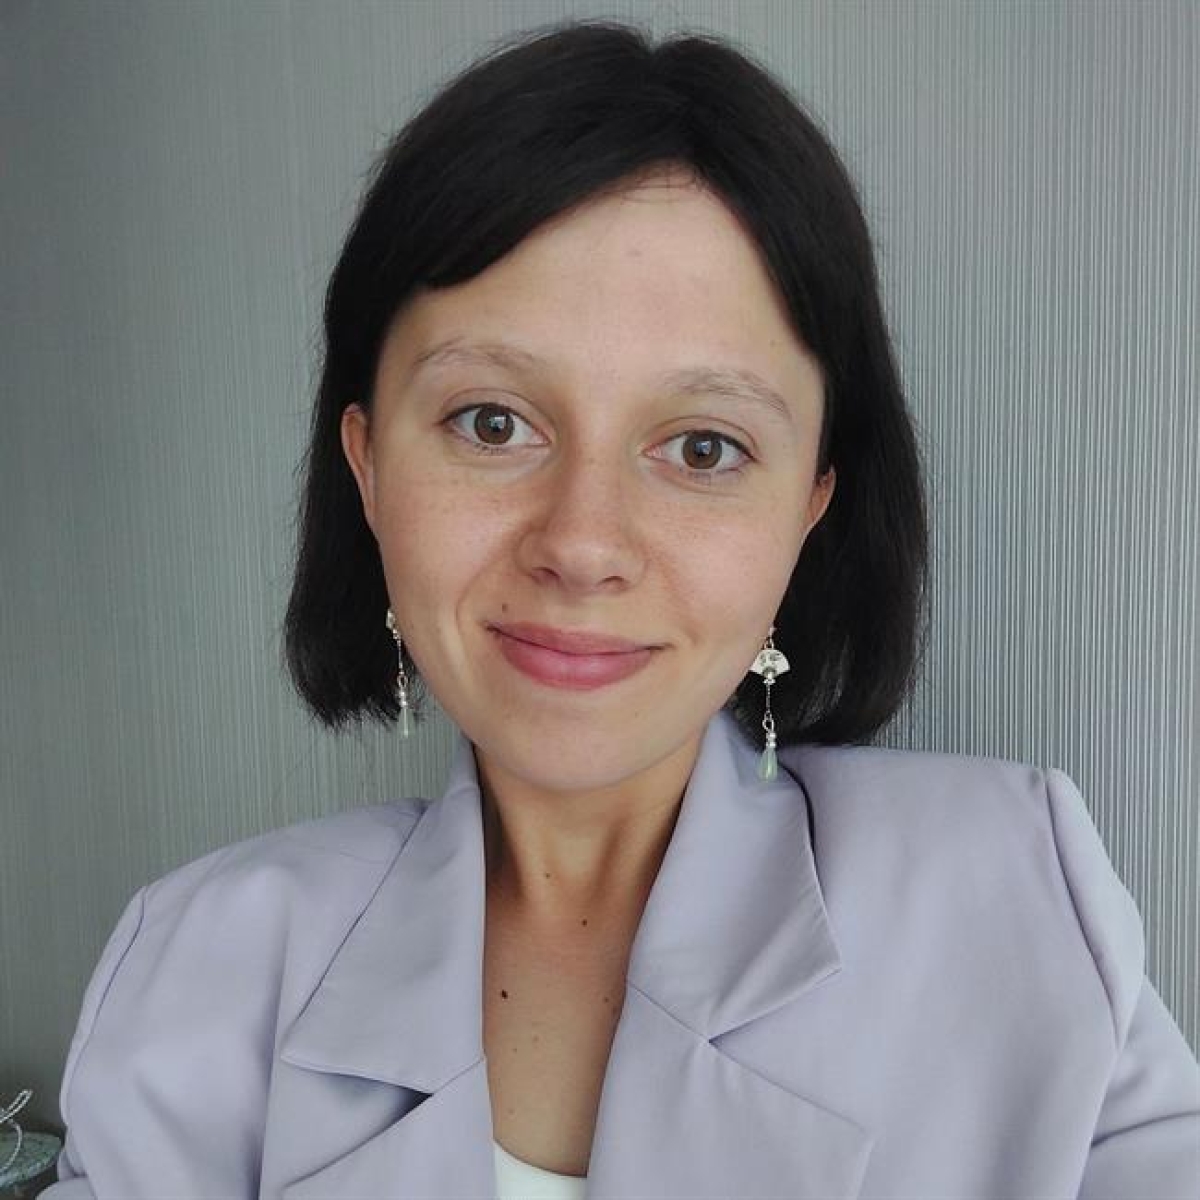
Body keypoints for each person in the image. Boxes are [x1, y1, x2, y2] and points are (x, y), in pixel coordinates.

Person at [47, 19, 1198, 1200]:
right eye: (492, 422)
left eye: (703, 446)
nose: (583, 545)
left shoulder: (1015, 900)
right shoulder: (198, 971)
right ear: (369, 466)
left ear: (811, 503)